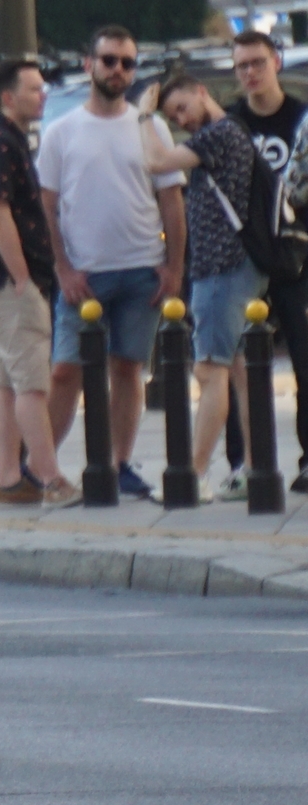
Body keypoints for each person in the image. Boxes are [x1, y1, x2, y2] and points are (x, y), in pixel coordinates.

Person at [38, 24, 186, 501]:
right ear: (89, 65)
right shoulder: (61, 132)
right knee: (65, 371)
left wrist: (174, 267)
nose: (118, 70)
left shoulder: (152, 127)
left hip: (142, 268)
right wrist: (62, 268)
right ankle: (41, 468)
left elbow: (172, 202)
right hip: (83, 274)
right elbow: (47, 206)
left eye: (127, 62)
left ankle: (119, 462)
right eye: (109, 61)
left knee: (128, 369)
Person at [140, 75, 265, 502]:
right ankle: (254, 468)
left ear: (201, 92)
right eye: (171, 115)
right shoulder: (232, 130)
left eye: (181, 109)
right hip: (234, 266)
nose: (180, 119)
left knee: (209, 371)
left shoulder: (218, 133)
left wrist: (144, 115)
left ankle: (191, 476)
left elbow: (158, 162)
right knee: (241, 373)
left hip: (222, 269)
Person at [0, 59, 74, 506]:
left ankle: (12, 481)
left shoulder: (6, 141)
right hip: (12, 284)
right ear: (8, 97)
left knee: (9, 384)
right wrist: (22, 275)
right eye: (33, 89)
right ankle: (49, 479)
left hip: (2, 280)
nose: (42, 95)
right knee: (32, 384)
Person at [226, 28, 308, 492]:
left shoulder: (300, 119)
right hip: (243, 258)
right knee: (237, 365)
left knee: (304, 360)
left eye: (258, 62)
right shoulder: (231, 123)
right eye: (242, 66)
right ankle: (245, 464)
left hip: (295, 255)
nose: (251, 73)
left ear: (276, 61)